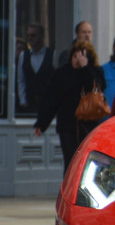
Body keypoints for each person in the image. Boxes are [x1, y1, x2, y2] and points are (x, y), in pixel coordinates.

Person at [33, 40, 106, 169]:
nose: (77, 60)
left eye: (82, 56)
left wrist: (85, 68)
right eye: (75, 56)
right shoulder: (63, 73)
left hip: (89, 123)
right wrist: (41, 123)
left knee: (87, 163)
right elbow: (51, 99)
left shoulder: (95, 71)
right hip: (67, 125)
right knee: (71, 161)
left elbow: (93, 87)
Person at [17, 22, 55, 114]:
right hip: (29, 104)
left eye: (33, 35)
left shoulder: (52, 54)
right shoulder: (23, 55)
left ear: (42, 36)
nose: (30, 38)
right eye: (28, 35)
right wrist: (23, 100)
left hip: (47, 103)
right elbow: (21, 80)